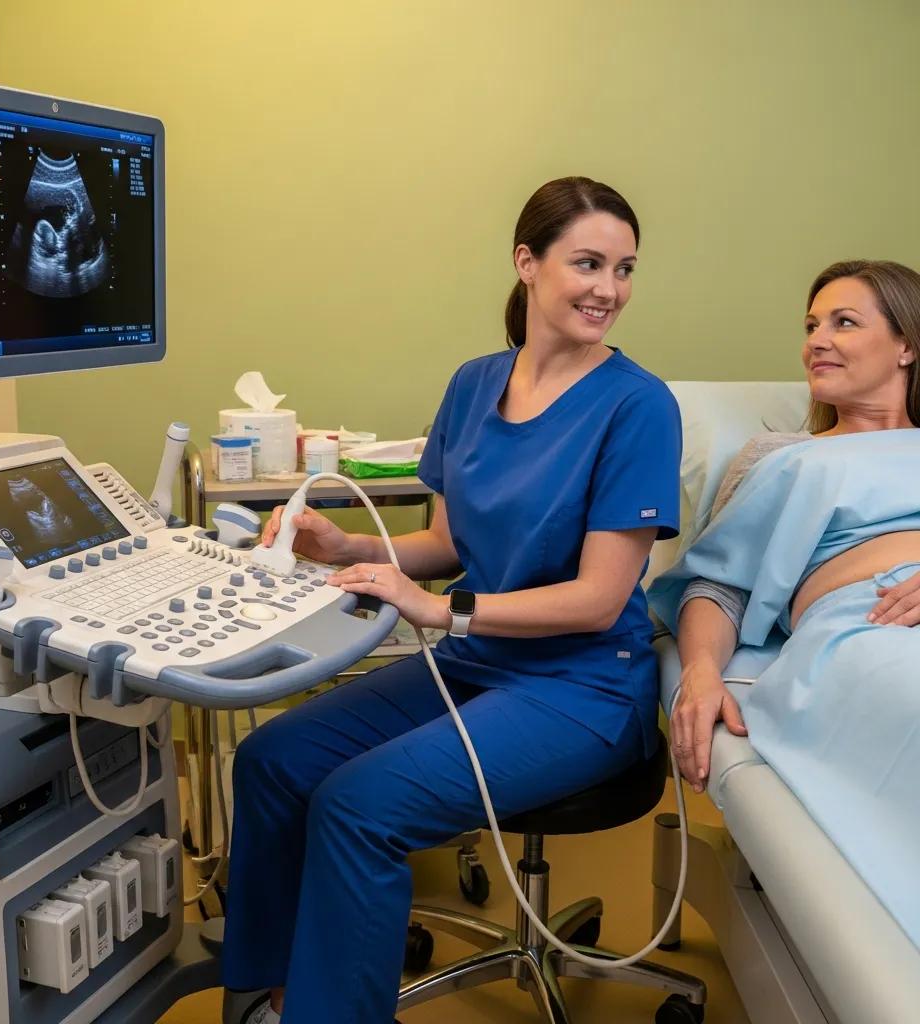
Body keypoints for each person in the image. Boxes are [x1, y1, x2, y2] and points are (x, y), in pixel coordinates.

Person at [221, 176, 682, 1024]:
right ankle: (271, 996)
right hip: (480, 663)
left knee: (359, 808)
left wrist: (442, 612)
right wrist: (353, 546)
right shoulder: (475, 385)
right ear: (527, 263)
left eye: (624, 269)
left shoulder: (637, 406)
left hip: (582, 688)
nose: (608, 289)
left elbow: (595, 598)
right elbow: (449, 547)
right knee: (272, 762)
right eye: (587, 263)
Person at [661, 259, 920, 795]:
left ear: (906, 346)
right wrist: (700, 672)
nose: (817, 342)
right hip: (872, 624)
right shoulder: (782, 455)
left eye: (843, 322)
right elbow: (720, 582)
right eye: (811, 326)